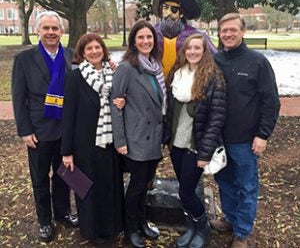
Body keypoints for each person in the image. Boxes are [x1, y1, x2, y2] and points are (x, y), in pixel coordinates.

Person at [212, 13, 280, 248]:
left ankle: (242, 232)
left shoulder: (257, 62)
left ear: (243, 32)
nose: (228, 34)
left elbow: (271, 101)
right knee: (225, 182)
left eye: (233, 30)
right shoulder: (215, 61)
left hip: (245, 140)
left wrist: (263, 134)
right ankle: (230, 219)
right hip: (219, 139)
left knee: (247, 186)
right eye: (224, 31)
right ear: (219, 34)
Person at [11, 11, 78, 242]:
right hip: (38, 132)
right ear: (38, 31)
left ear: (61, 31)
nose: (51, 32)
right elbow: (18, 98)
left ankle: (63, 213)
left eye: (55, 28)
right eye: (46, 28)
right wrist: (24, 130)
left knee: (65, 176)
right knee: (39, 178)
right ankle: (44, 221)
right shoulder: (24, 60)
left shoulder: (72, 56)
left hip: (66, 131)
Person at [60, 33, 125, 245]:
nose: (94, 51)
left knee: (109, 187)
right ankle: (92, 231)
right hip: (84, 146)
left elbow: (121, 100)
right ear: (82, 53)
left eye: (98, 47)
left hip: (109, 143)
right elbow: (68, 116)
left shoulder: (114, 74)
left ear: (104, 50)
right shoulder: (74, 78)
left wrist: (121, 102)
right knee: (86, 189)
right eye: (89, 49)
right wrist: (66, 152)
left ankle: (111, 227)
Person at [164, 33, 226, 248]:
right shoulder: (177, 74)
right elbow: (169, 110)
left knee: (186, 191)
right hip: (176, 144)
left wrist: (204, 152)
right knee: (185, 187)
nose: (192, 52)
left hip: (195, 145)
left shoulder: (213, 78)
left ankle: (203, 226)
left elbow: (216, 118)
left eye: (197, 48)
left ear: (204, 50)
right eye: (189, 48)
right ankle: (191, 226)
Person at [110, 20, 165, 248]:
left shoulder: (156, 66)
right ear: (133, 41)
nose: (145, 41)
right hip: (135, 139)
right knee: (136, 185)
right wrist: (120, 140)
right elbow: (116, 105)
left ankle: (142, 222)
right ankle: (130, 228)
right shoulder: (126, 68)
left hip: (155, 137)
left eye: (149, 37)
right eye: (141, 37)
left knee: (145, 184)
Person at [153, 0, 216, 75]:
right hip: (156, 85)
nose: (169, 13)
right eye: (165, 8)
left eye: (174, 10)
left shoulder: (196, 35)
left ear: (181, 14)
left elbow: (215, 60)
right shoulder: (151, 33)